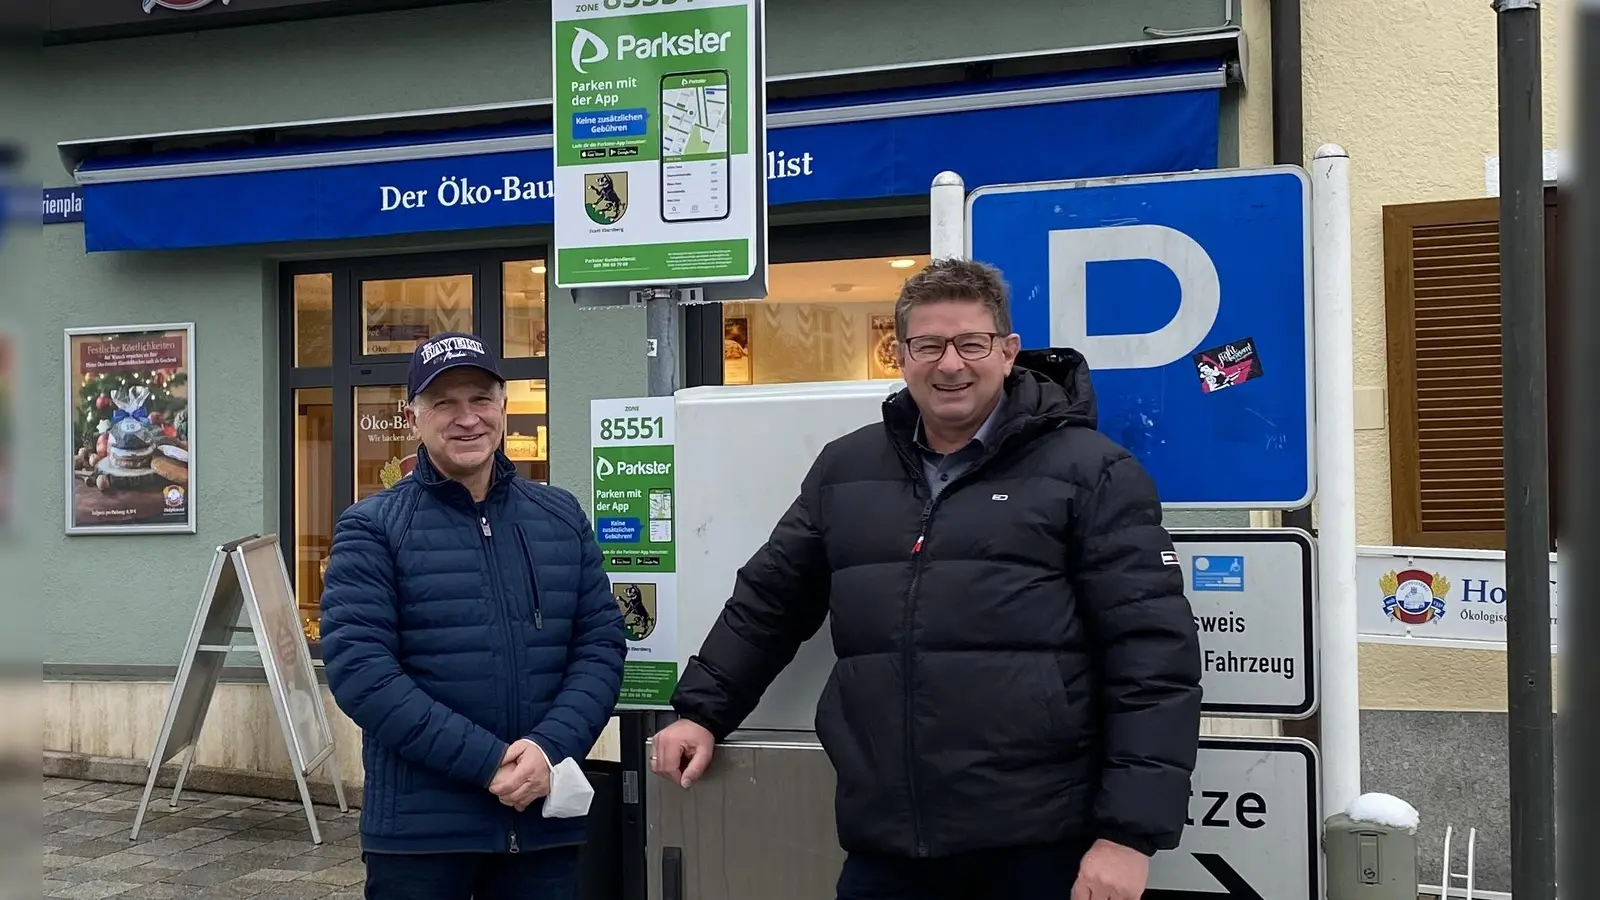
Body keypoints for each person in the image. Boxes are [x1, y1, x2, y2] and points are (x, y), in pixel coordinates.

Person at [651, 259, 1203, 900]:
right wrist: (701, 713)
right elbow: (770, 601)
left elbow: (1153, 661)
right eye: (928, 345)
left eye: (971, 343)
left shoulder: (1092, 472)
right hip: (888, 840)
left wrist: (1128, 836)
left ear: (1007, 351)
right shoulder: (848, 467)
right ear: (901, 353)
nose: (950, 365)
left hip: (1041, 845)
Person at [320, 331, 627, 900]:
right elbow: (363, 673)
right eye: (445, 403)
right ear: (413, 419)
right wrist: (490, 764)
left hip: (543, 826)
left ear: (504, 408)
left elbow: (600, 647)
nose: (468, 419)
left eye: (481, 399)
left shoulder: (558, 516)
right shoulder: (374, 527)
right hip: (422, 838)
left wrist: (547, 749)